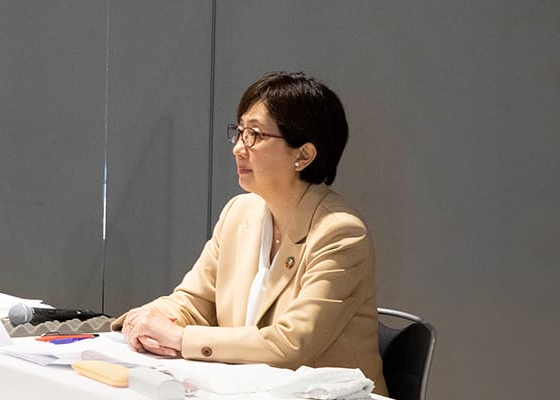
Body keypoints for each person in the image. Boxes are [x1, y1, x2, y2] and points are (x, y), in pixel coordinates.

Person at [116, 71, 387, 395]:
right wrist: (149, 318)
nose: (238, 148)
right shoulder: (239, 214)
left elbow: (292, 343)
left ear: (303, 155)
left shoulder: (340, 234)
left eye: (255, 135)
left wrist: (180, 338)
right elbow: (193, 302)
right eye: (239, 132)